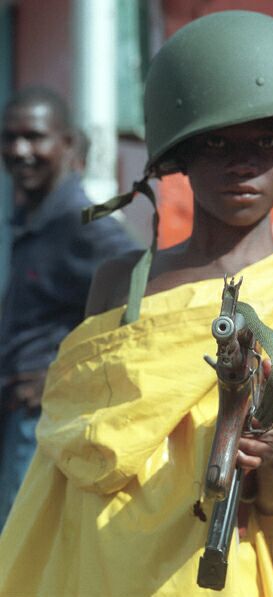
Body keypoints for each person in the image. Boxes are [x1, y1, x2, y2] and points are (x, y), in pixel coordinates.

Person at [0, 12, 273, 597]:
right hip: (92, 572)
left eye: (266, 142)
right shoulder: (119, 284)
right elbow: (63, 470)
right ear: (177, 155)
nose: (241, 163)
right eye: (216, 143)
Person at [0, 86, 139, 531]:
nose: (19, 150)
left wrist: (63, 376)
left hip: (43, 423)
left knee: (21, 545)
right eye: (10, 137)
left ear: (68, 144)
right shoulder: (34, 218)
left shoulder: (83, 225)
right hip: (19, 417)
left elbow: (145, 295)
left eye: (34, 137)